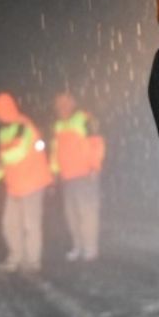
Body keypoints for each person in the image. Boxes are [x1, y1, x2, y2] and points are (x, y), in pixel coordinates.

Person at [0, 92, 53, 273]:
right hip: (14, 185)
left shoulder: (24, 126)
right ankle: (16, 257)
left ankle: (32, 261)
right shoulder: (4, 132)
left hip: (32, 182)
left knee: (30, 224)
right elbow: (6, 161)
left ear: (4, 111)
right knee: (10, 224)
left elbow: (19, 152)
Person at [50, 92, 105, 262]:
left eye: (65, 104)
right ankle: (78, 246)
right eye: (59, 105)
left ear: (72, 104)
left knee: (87, 212)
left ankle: (90, 248)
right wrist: (54, 171)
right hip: (67, 177)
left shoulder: (84, 118)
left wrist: (94, 166)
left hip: (84, 173)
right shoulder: (58, 125)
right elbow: (55, 151)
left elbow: (97, 142)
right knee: (71, 214)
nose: (61, 108)